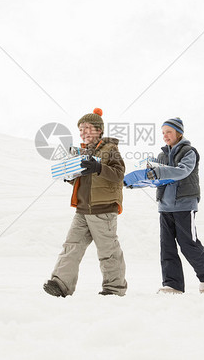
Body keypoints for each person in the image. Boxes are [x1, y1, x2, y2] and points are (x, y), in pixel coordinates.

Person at [43, 108, 127, 297]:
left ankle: (114, 288)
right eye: (81, 129)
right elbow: (85, 180)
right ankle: (61, 283)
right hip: (82, 208)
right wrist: (70, 176)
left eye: (87, 128)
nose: (83, 132)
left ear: (99, 130)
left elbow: (118, 175)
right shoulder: (82, 153)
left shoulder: (110, 149)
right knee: (71, 245)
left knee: (108, 250)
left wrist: (98, 167)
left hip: (103, 209)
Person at [147, 117, 204, 294]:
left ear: (179, 133)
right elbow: (158, 176)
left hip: (184, 205)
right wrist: (145, 175)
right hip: (165, 207)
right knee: (167, 246)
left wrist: (159, 171)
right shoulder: (162, 155)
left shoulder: (189, 152)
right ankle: (173, 285)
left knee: (187, 243)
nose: (165, 136)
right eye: (163, 133)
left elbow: (182, 171)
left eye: (168, 132)